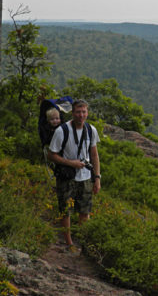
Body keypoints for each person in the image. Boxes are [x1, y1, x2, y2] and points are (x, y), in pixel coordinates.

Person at [48, 99, 101, 250]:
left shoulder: (91, 130)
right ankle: (69, 243)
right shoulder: (62, 130)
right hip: (66, 176)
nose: (81, 115)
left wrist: (97, 178)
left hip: (85, 177)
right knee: (66, 211)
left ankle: (83, 242)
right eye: (78, 112)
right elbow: (52, 155)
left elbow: (95, 155)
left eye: (84, 112)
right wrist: (72, 163)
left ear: (87, 113)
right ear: (73, 113)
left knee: (85, 211)